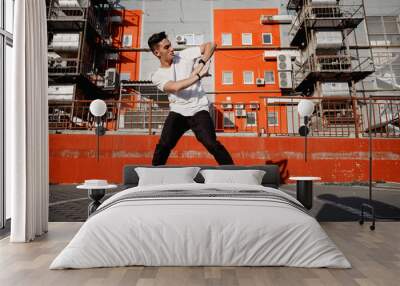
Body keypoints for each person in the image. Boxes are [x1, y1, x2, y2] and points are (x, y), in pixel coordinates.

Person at [148, 31, 234, 166]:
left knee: (211, 143)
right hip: (178, 110)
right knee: (164, 145)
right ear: (157, 53)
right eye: (166, 47)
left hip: (198, 108)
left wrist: (201, 63)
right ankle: (153, 177)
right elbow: (176, 87)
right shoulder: (157, 76)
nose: (172, 49)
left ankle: (233, 173)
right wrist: (198, 75)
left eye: (170, 45)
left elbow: (211, 45)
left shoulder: (183, 56)